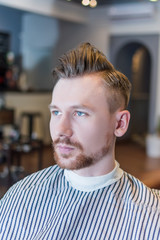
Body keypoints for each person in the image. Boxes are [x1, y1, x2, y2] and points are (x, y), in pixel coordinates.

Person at [0, 42, 160, 240]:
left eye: (80, 113)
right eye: (56, 112)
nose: (61, 129)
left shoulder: (151, 217)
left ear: (120, 123)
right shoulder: (21, 197)